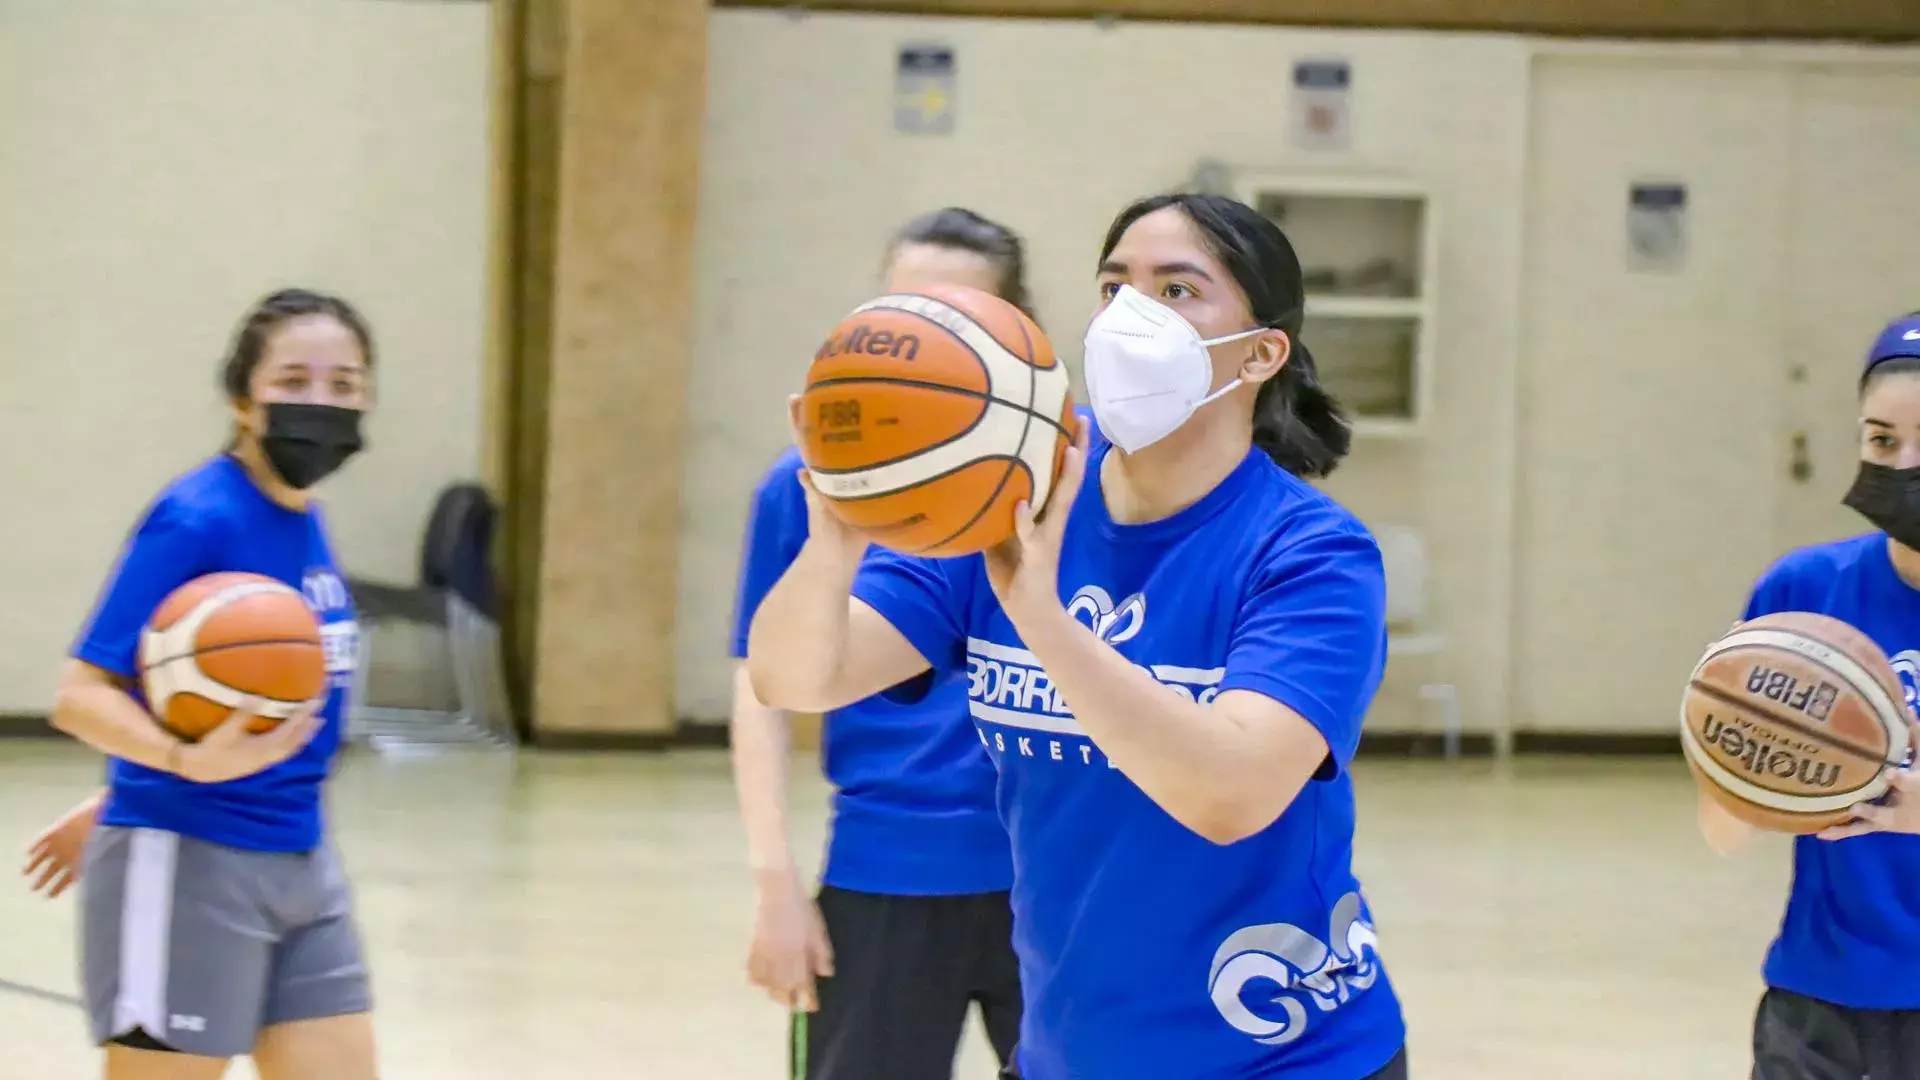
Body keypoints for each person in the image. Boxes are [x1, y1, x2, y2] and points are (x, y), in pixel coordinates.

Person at [745, 193, 1408, 1080]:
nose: (1133, 314)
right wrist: (833, 538)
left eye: (1178, 290)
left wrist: (1043, 623)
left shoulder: (1311, 552)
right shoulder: (1015, 492)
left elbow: (1230, 794)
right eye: (1114, 285)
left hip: (1283, 1056)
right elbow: (796, 677)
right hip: (1073, 1051)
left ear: (1260, 352)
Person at [22, 288, 375, 1080]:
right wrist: (166, 771)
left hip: (302, 862)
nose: (320, 400)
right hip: (188, 861)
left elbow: (224, 688)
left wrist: (123, 784)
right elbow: (81, 693)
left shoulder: (303, 520)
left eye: (344, 384)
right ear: (242, 401)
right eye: (294, 380)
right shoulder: (198, 518)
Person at [730, 207, 1030, 1080]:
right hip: (885, 871)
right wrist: (775, 885)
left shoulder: (1059, 476)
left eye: (960, 312)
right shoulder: (808, 483)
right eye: (904, 308)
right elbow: (763, 690)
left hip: (1051, 877)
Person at [1699, 310, 1920, 1080]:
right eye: (1882, 441)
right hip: (1818, 1005)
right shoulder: (1804, 593)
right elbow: (1726, 832)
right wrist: (1728, 750)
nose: (1905, 465)